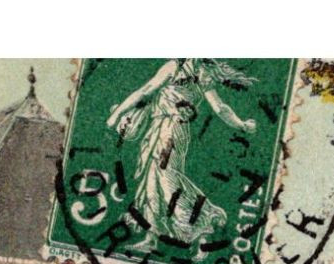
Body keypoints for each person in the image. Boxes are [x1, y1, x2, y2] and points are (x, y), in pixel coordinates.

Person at [105, 59, 258, 253]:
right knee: (152, 181)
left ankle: (203, 221)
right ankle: (152, 236)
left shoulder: (181, 68)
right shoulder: (197, 71)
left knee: (166, 179)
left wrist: (115, 115)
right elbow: (220, 108)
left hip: (171, 130)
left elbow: (145, 91)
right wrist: (242, 124)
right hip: (160, 128)